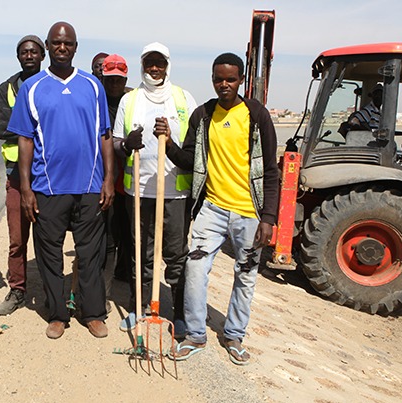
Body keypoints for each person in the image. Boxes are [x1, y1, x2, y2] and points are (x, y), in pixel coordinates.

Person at [168, 53, 279, 365]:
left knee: (245, 274)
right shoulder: (203, 114)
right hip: (212, 208)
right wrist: (167, 144)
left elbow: (271, 170)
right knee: (195, 268)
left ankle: (234, 334)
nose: (224, 84)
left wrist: (268, 218)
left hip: (249, 212)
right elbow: (190, 160)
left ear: (240, 80)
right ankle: (194, 335)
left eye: (230, 79)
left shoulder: (256, 115)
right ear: (213, 78)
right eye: (219, 78)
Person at [8, 21, 115, 339]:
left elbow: (105, 135)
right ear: (48, 46)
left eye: (67, 43)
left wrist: (108, 179)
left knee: (90, 254)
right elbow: (25, 140)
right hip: (47, 187)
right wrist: (25, 188)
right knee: (50, 255)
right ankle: (57, 315)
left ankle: (92, 313)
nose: (62, 48)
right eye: (56, 43)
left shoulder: (93, 86)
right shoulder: (33, 87)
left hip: (89, 187)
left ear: (75, 47)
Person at [112, 43, 197, 338]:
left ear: (167, 65)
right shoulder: (130, 100)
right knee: (141, 254)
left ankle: (179, 314)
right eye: (150, 63)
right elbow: (115, 143)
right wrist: (126, 144)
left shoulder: (183, 98)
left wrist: (169, 140)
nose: (154, 68)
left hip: (175, 193)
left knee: (175, 255)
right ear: (143, 65)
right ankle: (138, 306)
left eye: (159, 63)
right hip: (139, 192)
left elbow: (195, 148)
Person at [0, 35, 46, 317]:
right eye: (24, 52)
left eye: (34, 52)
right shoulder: (6, 88)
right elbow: (2, 127)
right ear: (18, 56)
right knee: (17, 236)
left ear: (42, 55)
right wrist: (36, 126)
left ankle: (51, 290)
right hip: (16, 174)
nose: (29, 56)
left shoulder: (50, 83)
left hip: (48, 173)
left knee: (49, 235)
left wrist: (22, 121)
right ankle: (17, 288)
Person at [100, 54, 134, 294]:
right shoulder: (95, 101)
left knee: (129, 236)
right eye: (110, 79)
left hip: (129, 182)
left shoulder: (133, 102)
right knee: (108, 237)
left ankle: (127, 277)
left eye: (118, 80)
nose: (114, 84)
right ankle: (104, 289)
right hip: (103, 181)